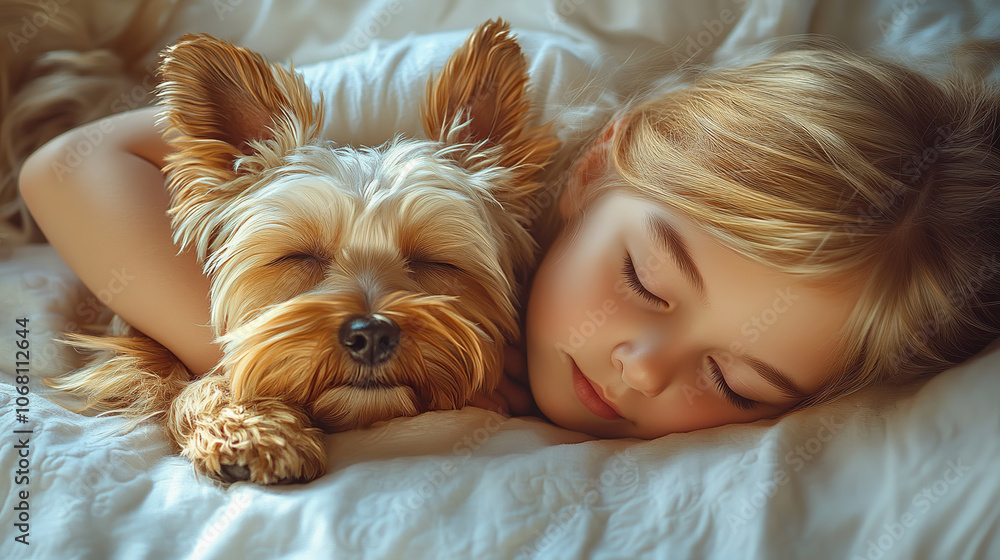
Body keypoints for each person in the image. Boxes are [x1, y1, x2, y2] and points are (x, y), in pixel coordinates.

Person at [19, 44, 1000, 440]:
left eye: (736, 382)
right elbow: (68, 169)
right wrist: (260, 359)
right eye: (643, 280)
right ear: (592, 170)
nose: (640, 366)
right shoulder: (489, 102)